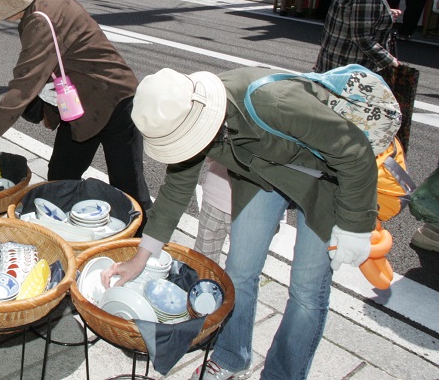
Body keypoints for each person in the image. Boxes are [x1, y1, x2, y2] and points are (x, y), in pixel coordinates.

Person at [102, 67, 379, 380]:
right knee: (238, 271)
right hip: (261, 175)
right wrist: (141, 257)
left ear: (202, 121)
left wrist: (356, 225)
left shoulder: (273, 103)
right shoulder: (181, 116)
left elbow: (355, 151)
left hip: (326, 182)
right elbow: (177, 188)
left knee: (306, 290)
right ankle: (231, 357)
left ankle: (283, 375)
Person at [0, 0, 151, 211]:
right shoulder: (42, 2)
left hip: (114, 99)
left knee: (129, 188)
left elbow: (22, 87)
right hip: (78, 104)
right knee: (60, 175)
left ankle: (144, 247)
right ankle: (74, 229)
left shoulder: (39, 19)